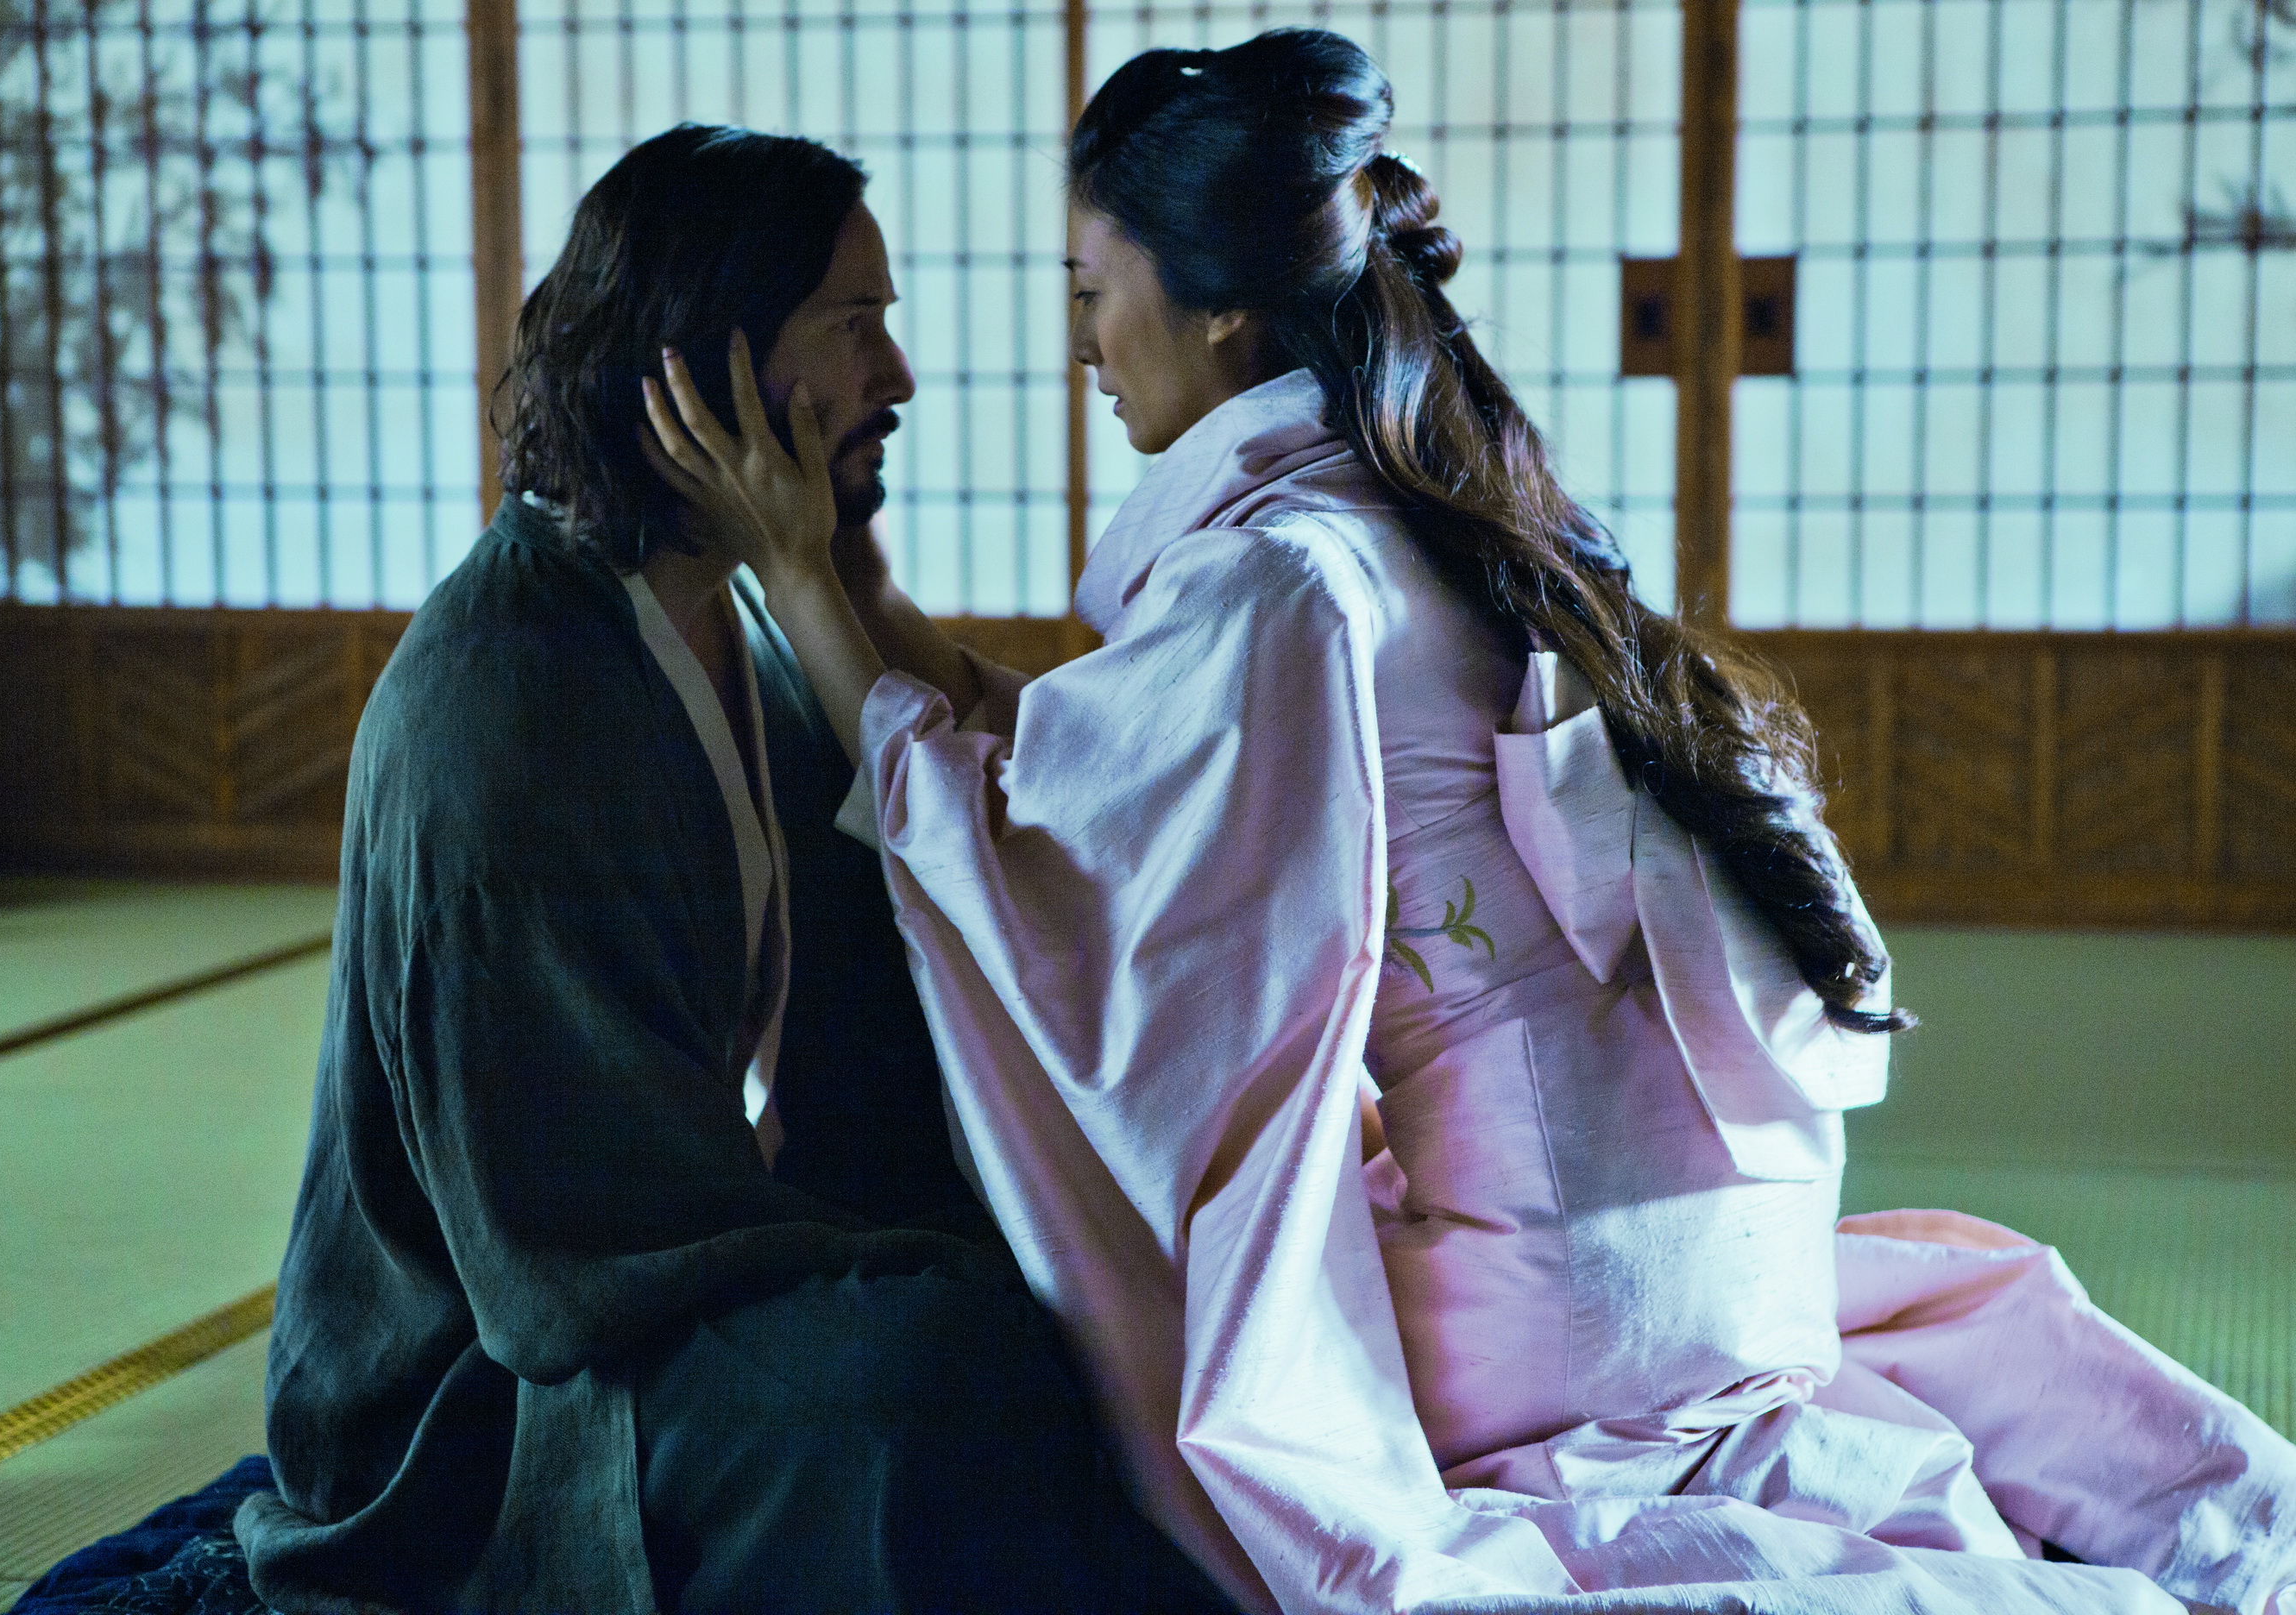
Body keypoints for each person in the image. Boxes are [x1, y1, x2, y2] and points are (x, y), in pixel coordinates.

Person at [641, 30, 2296, 1615]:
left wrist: (793, 574)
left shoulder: (1280, 579)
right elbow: (1089, 762)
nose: (1080, 341)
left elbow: (1036, 854)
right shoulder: (1443, 508)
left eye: (1090, 290)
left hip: (1557, 1317)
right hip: (1736, 1261)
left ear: (1219, 307)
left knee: (1148, 1365)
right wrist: (846, 574)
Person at [235, 123, 1229, 1615]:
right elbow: (564, 1229)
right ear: (704, 356)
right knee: (919, 1378)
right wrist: (883, 1266)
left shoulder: (746, 622)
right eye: (854, 324)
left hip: (689, 1262)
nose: (897, 376)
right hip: (495, 1387)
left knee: (1068, 1291)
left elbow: (934, 900)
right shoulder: (503, 697)